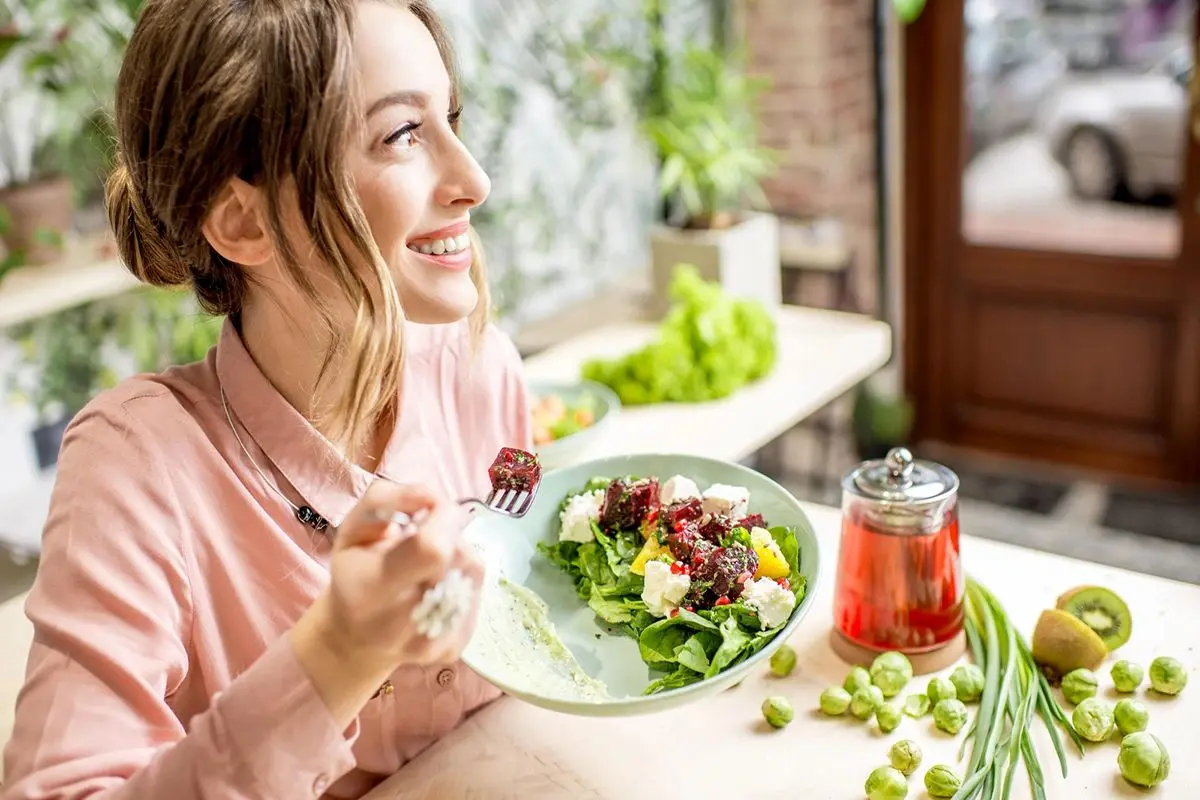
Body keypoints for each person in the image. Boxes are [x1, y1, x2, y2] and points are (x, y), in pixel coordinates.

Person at [0, 1, 532, 798]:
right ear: (243, 222)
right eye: (402, 136)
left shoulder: (482, 372)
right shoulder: (135, 467)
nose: (473, 181)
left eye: (448, 118)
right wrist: (338, 655)